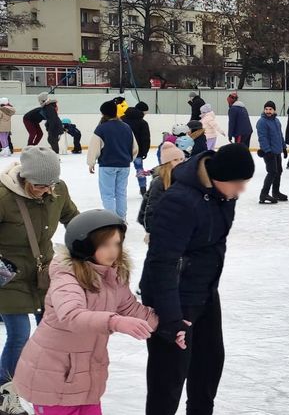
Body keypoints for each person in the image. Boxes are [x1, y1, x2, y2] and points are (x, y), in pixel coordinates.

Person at [141, 144, 254, 415]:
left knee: (209, 365)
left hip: (204, 291)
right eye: (239, 183)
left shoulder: (223, 197)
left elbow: (214, 246)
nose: (242, 190)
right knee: (168, 378)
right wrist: (170, 319)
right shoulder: (179, 201)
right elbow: (161, 263)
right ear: (220, 177)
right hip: (172, 296)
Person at [11, 209, 154, 415]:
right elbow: (71, 315)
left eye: (117, 243)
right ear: (85, 246)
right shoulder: (66, 277)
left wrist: (171, 326)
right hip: (53, 378)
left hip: (86, 377)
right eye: (105, 245)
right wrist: (115, 322)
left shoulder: (112, 276)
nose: (113, 251)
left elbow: (131, 309)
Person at [0, 147, 79, 412]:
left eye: (50, 185)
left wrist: (91, 241)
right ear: (25, 177)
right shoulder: (3, 197)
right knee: (20, 333)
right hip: (9, 276)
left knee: (53, 330)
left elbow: (73, 219)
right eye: (39, 185)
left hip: (45, 274)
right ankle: (5, 392)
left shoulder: (58, 191)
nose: (46, 190)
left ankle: (44, 380)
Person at [88, 101, 138, 220]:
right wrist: (129, 159)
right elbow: (134, 147)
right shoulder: (126, 127)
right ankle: (122, 219)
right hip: (124, 165)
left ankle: (112, 220)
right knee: (121, 193)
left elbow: (94, 147)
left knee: (108, 194)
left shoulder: (101, 128)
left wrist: (91, 162)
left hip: (107, 165)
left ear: (103, 113)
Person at [139, 142, 185, 239]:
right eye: (175, 160)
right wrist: (150, 231)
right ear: (167, 163)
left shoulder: (185, 178)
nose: (180, 162)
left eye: (182, 159)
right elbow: (151, 207)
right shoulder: (159, 182)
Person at [256, 101, 288, 205]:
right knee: (272, 172)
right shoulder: (262, 122)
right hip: (269, 152)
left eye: (270, 109)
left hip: (277, 151)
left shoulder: (277, 121)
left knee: (278, 171)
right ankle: (264, 194)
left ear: (274, 110)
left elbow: (280, 135)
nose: (268, 111)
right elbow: (262, 138)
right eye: (266, 109)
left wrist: (284, 147)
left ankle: (276, 192)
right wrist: (267, 151)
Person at [123, 102, 152, 197]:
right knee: (139, 169)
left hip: (122, 150)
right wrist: (145, 151)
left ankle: (120, 190)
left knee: (122, 171)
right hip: (138, 151)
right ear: (142, 111)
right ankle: (143, 189)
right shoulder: (142, 123)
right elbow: (145, 138)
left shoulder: (121, 120)